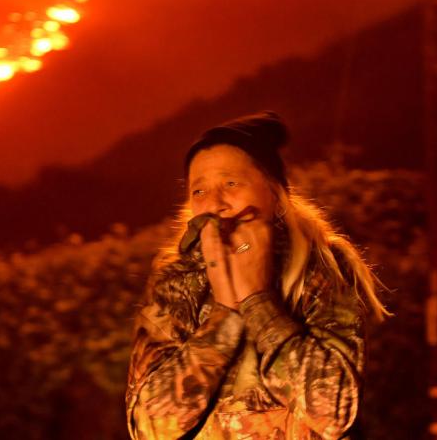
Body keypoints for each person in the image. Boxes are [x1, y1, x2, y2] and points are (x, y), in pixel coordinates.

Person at [125, 111, 389, 440]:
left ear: (276, 195)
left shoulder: (320, 266)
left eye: (231, 183)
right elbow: (149, 428)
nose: (215, 204)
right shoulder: (176, 282)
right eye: (199, 191)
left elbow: (332, 412)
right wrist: (224, 316)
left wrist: (258, 301)